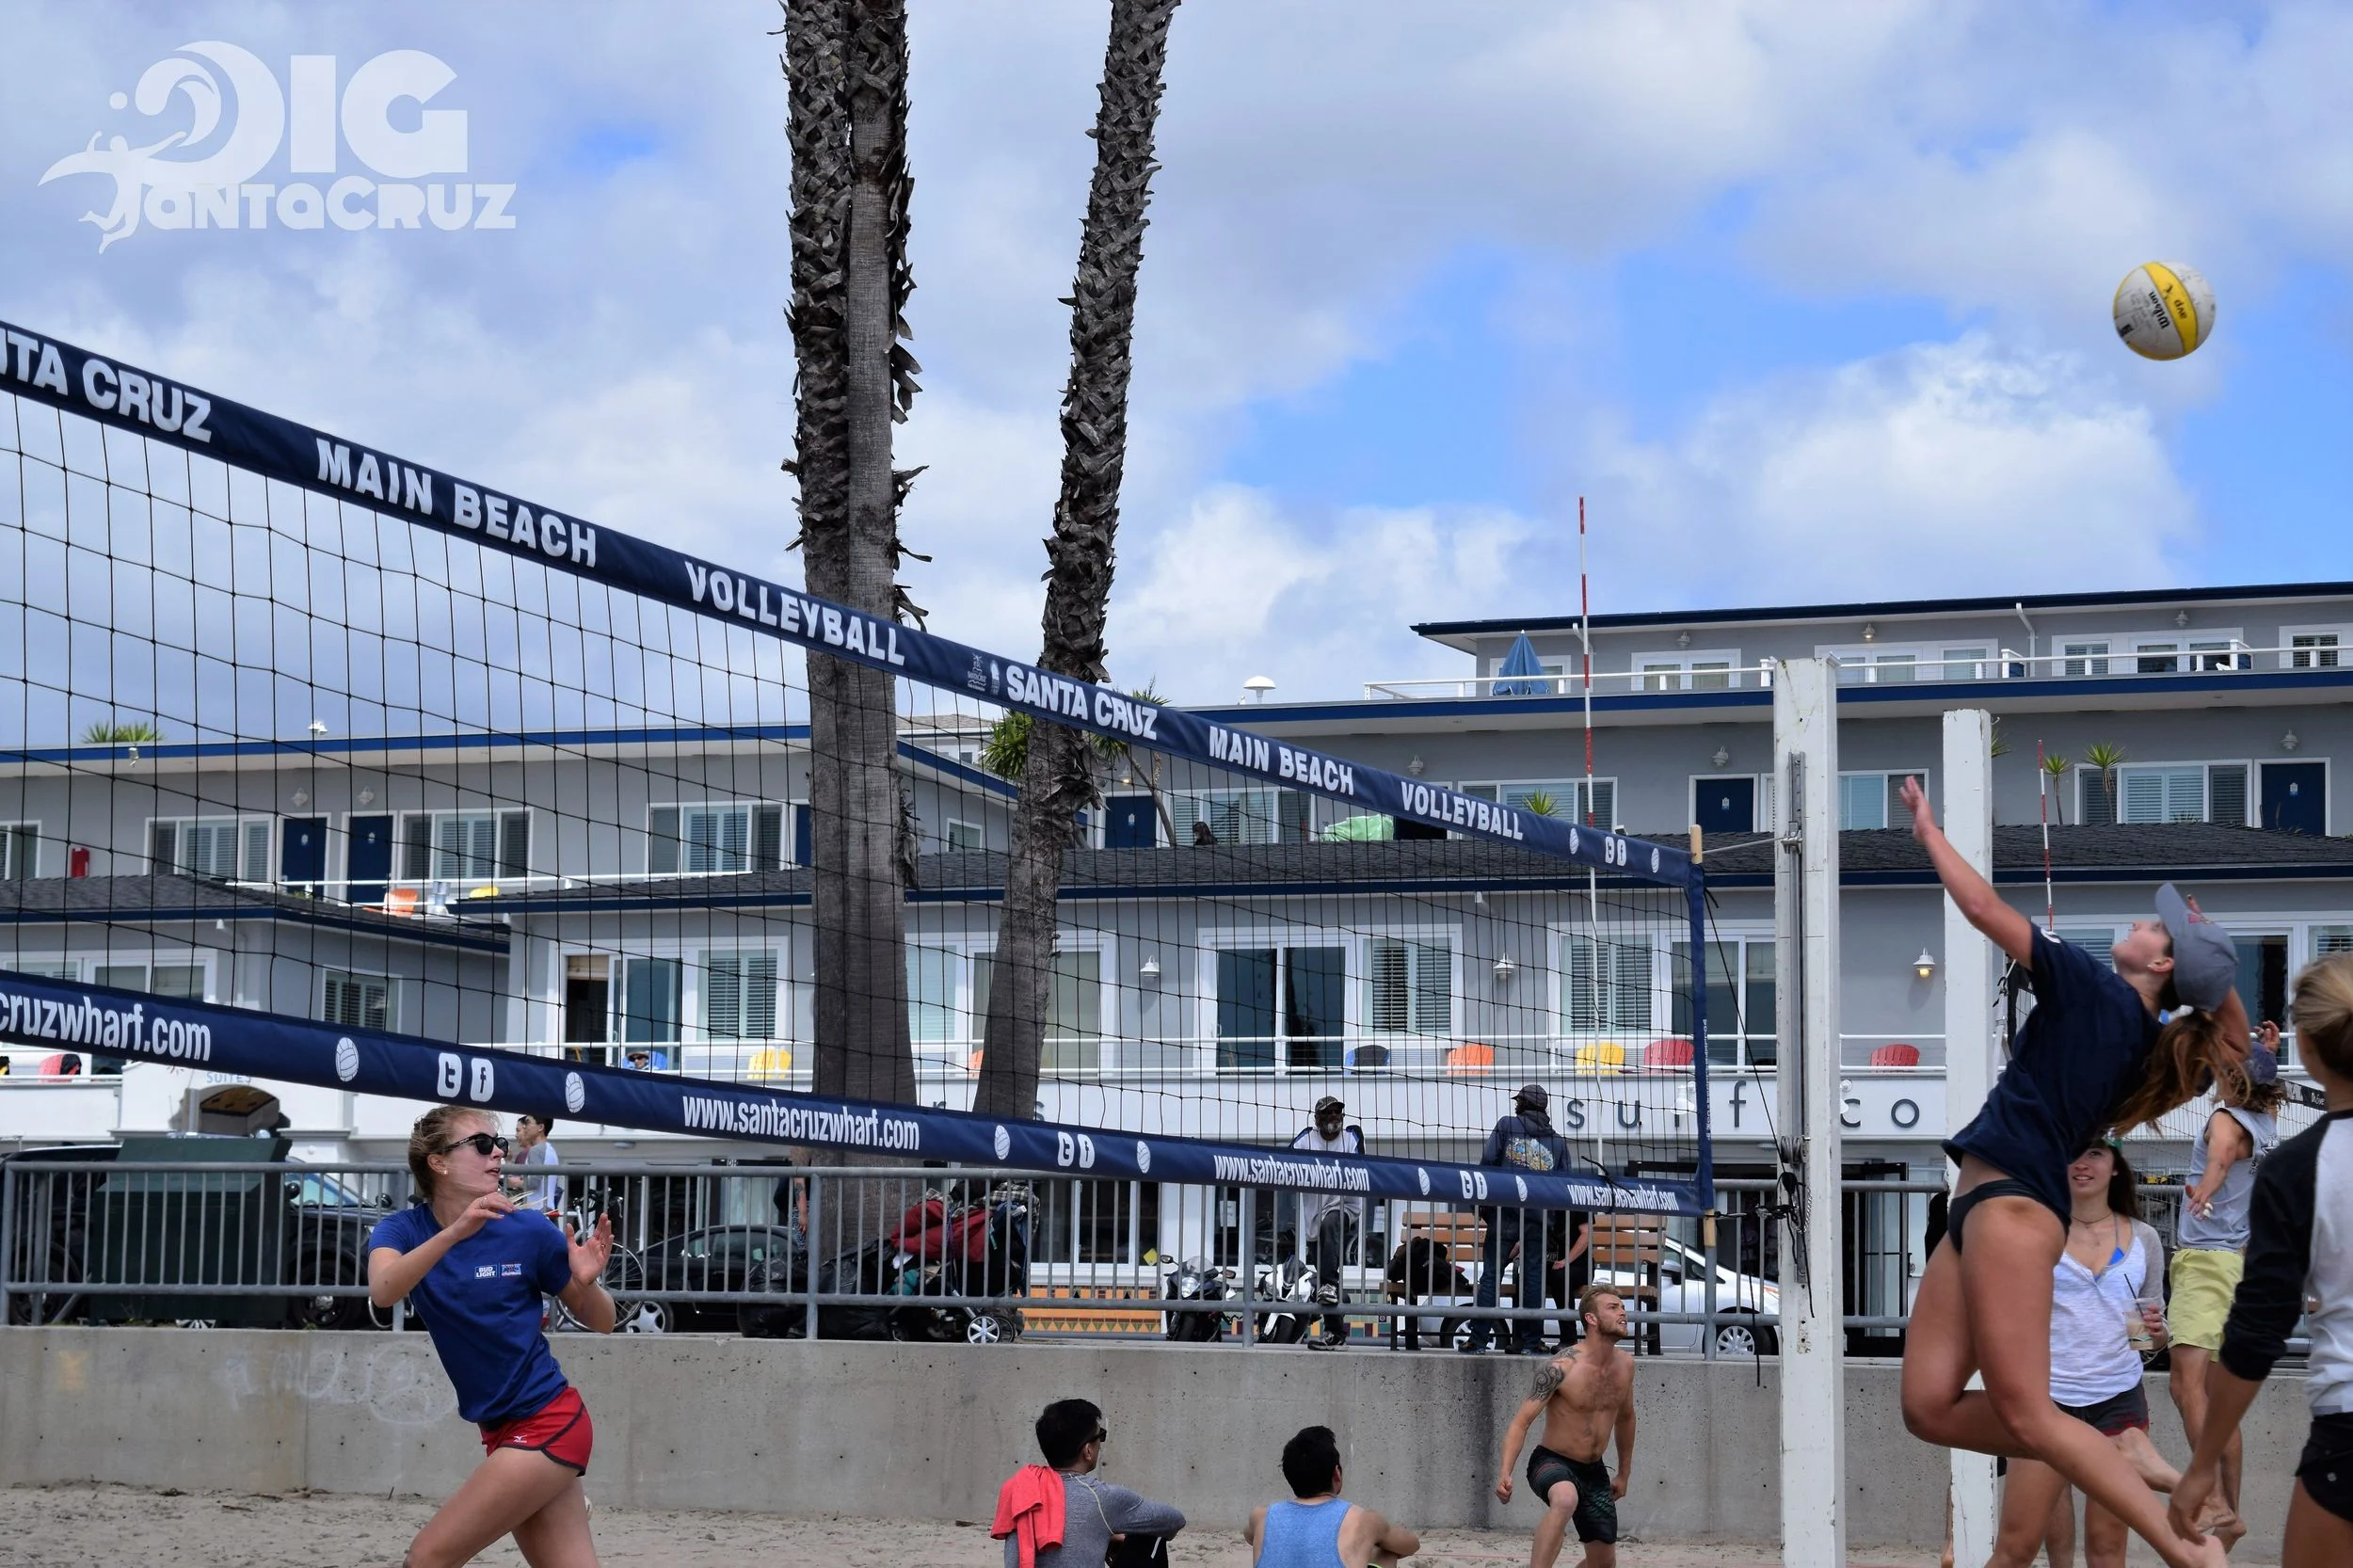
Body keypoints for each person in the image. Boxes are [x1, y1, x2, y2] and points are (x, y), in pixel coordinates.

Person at [1897, 772, 2247, 1568]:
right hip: (1985, 1202)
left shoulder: (2095, 985)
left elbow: (1984, 910)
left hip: (2014, 1206)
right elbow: (2234, 1041)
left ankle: (2183, 1546)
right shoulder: (2151, 1044)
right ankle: (2102, 1443)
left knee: (2028, 1416)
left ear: (2162, 967)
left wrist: (1929, 833)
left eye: (2157, 929)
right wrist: (2209, 968)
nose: (2139, 921)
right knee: (1927, 1406)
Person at [366, 1106, 616, 1568]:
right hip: (501, 1430)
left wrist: (587, 1282)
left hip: (547, 1421)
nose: (499, 1153)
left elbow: (604, 1321)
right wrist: (458, 1231)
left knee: (428, 1558)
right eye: (482, 1145)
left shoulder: (526, 1228)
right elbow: (384, 1292)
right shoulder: (402, 1230)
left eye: (499, 1144)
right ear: (438, 1162)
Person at [2170, 952, 2353, 1567]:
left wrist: (2201, 1469)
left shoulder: (2300, 1166)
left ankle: (2224, 1500)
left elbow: (2258, 1334)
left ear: (2309, 1043)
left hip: (2347, 1428)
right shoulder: (2273, 1141)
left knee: (2193, 1379)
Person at [1986, 1138, 2200, 1568]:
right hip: (2047, 1398)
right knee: (2019, 1548)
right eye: (2073, 1154)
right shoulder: (2038, 1229)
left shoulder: (2143, 1238)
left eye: (2096, 1153)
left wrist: (2155, 1332)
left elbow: (2147, 1338)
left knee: (2107, 1550)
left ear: (2116, 1166)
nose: (2082, 1164)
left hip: (2118, 1400)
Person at [2167, 1022, 2285, 1531]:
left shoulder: (2224, 1117)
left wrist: (2202, 1190)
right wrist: (2267, 1051)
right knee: (2215, 1403)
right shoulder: (2265, 1124)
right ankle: (2229, 1511)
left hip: (2205, 1263)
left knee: (2185, 1387)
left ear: (2233, 1079)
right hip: (2235, 1263)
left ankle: (2213, 1501)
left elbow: (2218, 1157)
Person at [1492, 1284, 1638, 1568]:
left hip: (1594, 1472)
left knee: (1602, 1564)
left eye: (1623, 1307)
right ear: (1591, 1319)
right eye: (1613, 1307)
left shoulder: (1625, 1365)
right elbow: (1521, 1423)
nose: (1623, 1312)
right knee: (1565, 1498)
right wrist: (1505, 1472)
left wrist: (1624, 1473)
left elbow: (1626, 1418)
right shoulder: (1561, 1367)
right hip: (1552, 1462)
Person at [994, 1398, 1186, 1568]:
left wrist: (1102, 1536)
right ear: (1088, 1451)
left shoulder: (1020, 1488)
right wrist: (1111, 1534)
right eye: (1100, 1436)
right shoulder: (1101, 1497)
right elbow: (1174, 1521)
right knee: (1149, 1535)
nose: (1101, 1443)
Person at [1462, 1084, 1570, 1354]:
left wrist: (1482, 1206)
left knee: (1491, 1277)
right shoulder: (1557, 1142)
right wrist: (1551, 1221)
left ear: (1523, 1104)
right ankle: (1531, 1343)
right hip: (1538, 1219)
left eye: (1518, 1101)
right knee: (1533, 1279)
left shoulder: (1507, 1126)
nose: (1515, 1105)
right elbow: (1564, 1185)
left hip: (1504, 1213)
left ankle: (1478, 1340)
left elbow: (1488, 1163)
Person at [1244, 1424, 1420, 1567]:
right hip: (1371, 1534)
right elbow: (1411, 1545)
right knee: (1385, 1552)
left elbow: (1249, 1536)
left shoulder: (1261, 1516)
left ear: (1289, 1475)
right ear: (1337, 1474)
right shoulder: (1363, 1520)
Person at [1290, 1096, 1364, 1350]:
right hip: (1313, 1217)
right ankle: (1335, 1332)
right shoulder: (1305, 1139)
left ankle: (1331, 1287)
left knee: (1330, 1226)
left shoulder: (1351, 1137)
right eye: (1328, 1113)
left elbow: (1359, 1162)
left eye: (1337, 1112)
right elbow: (1286, 1164)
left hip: (1345, 1208)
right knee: (1323, 1276)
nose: (1334, 1117)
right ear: (1316, 1118)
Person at [511, 1112, 567, 1219]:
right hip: (549, 1208)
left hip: (537, 1210)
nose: (524, 1127)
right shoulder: (550, 1149)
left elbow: (533, 1182)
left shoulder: (536, 1150)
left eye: (527, 1123)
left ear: (540, 1127)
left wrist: (516, 1182)